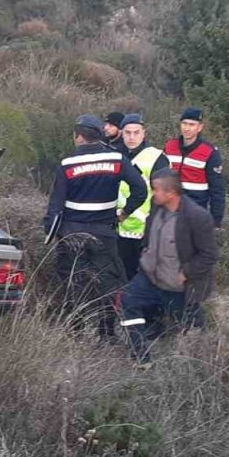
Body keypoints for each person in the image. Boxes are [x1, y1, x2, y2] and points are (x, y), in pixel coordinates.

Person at [44, 115, 147, 336]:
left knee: (74, 283)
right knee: (108, 284)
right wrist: (124, 213)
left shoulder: (67, 164)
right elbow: (140, 189)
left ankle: (76, 330)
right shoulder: (118, 160)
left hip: (72, 232)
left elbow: (55, 206)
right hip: (105, 232)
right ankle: (106, 331)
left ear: (78, 137)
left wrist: (51, 235)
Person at [118, 169, 220, 363]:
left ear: (171, 192)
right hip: (149, 277)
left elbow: (210, 255)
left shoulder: (197, 217)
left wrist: (186, 273)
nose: (152, 193)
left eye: (156, 189)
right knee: (128, 302)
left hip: (178, 285)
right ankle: (141, 358)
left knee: (193, 328)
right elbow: (149, 236)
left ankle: (202, 361)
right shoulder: (156, 207)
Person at [114, 114, 169, 279]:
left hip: (146, 230)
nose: (131, 137)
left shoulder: (157, 158)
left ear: (144, 133)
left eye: (136, 132)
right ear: (121, 133)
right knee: (123, 276)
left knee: (147, 278)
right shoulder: (116, 155)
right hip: (120, 229)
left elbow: (165, 196)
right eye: (127, 132)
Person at [164, 108, 226, 228]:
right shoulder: (170, 146)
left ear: (200, 127)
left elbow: (217, 190)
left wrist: (215, 221)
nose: (187, 128)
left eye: (192, 125)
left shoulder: (209, 152)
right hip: (169, 210)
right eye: (184, 124)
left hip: (195, 212)